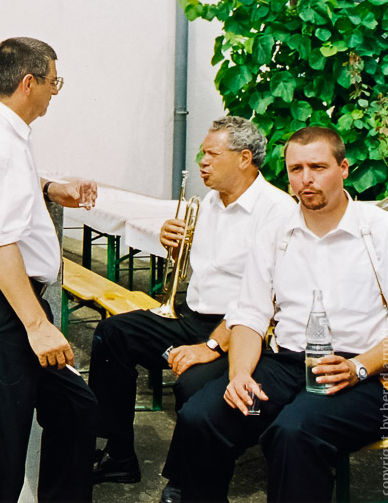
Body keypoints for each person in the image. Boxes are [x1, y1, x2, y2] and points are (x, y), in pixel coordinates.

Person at [171, 126, 388, 503]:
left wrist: (360, 366)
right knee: (202, 417)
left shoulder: (381, 231)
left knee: (294, 432)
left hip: (365, 372)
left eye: (318, 167)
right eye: (295, 169)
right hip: (288, 362)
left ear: (343, 168)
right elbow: (250, 312)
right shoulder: (278, 230)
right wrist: (239, 373)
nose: (305, 180)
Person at [90, 116, 296, 496]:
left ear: (244, 158)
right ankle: (119, 455)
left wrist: (211, 346)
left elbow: (260, 297)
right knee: (111, 334)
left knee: (192, 385)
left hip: (238, 331)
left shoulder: (277, 211)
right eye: (203, 152)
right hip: (189, 315)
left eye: (212, 154)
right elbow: (195, 269)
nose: (202, 161)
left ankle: (186, 481)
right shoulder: (208, 203)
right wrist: (173, 244)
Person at [0, 36, 99, 503]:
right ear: (29, 83)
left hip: (10, 303)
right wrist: (37, 325)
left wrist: (51, 188)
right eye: (54, 82)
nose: (55, 91)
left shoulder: (4, 135)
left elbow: (8, 198)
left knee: (75, 408)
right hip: (1, 306)